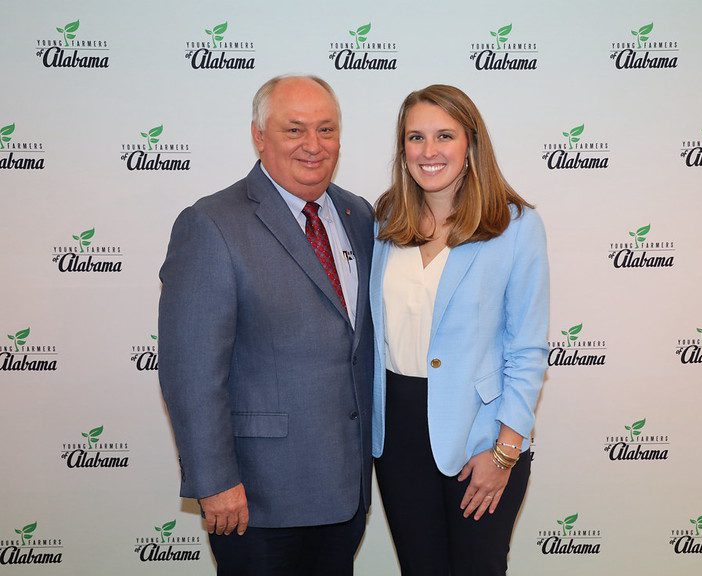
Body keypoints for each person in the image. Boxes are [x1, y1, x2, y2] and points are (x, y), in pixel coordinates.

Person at [158, 75, 374, 576]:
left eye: (326, 129)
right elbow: (191, 372)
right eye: (294, 129)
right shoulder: (211, 224)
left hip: (345, 491)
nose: (313, 145)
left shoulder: (358, 215)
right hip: (256, 500)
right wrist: (214, 481)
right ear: (259, 136)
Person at [370, 84, 549, 575]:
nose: (429, 151)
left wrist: (505, 451)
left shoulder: (514, 226)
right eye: (415, 137)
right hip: (397, 436)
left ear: (470, 144)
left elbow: (528, 349)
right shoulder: (385, 220)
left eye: (444, 136)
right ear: (402, 149)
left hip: (480, 436)